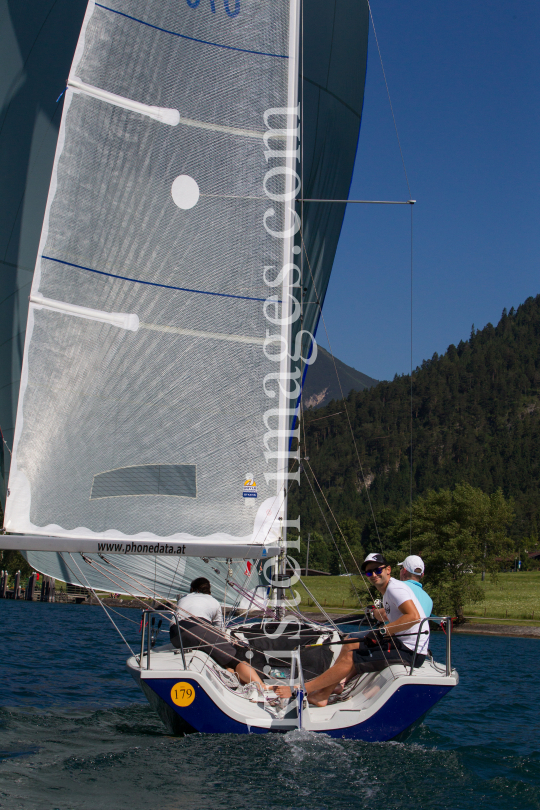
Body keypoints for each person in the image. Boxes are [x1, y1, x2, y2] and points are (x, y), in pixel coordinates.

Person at [274, 553, 429, 707]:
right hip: (401, 643)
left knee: (350, 657)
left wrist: (380, 633)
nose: (373, 574)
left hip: (410, 651)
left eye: (377, 570)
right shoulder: (389, 590)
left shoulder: (395, 589)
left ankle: (301, 689)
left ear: (388, 569)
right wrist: (375, 616)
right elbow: (391, 614)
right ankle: (323, 694)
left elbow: (413, 617)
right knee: (349, 642)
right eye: (369, 572)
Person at [170, 577, 265, 688]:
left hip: (175, 635)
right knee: (235, 659)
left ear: (192, 589)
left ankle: (229, 671)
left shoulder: (183, 598)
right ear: (209, 590)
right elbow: (219, 630)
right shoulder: (214, 602)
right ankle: (262, 686)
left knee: (216, 652)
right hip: (197, 628)